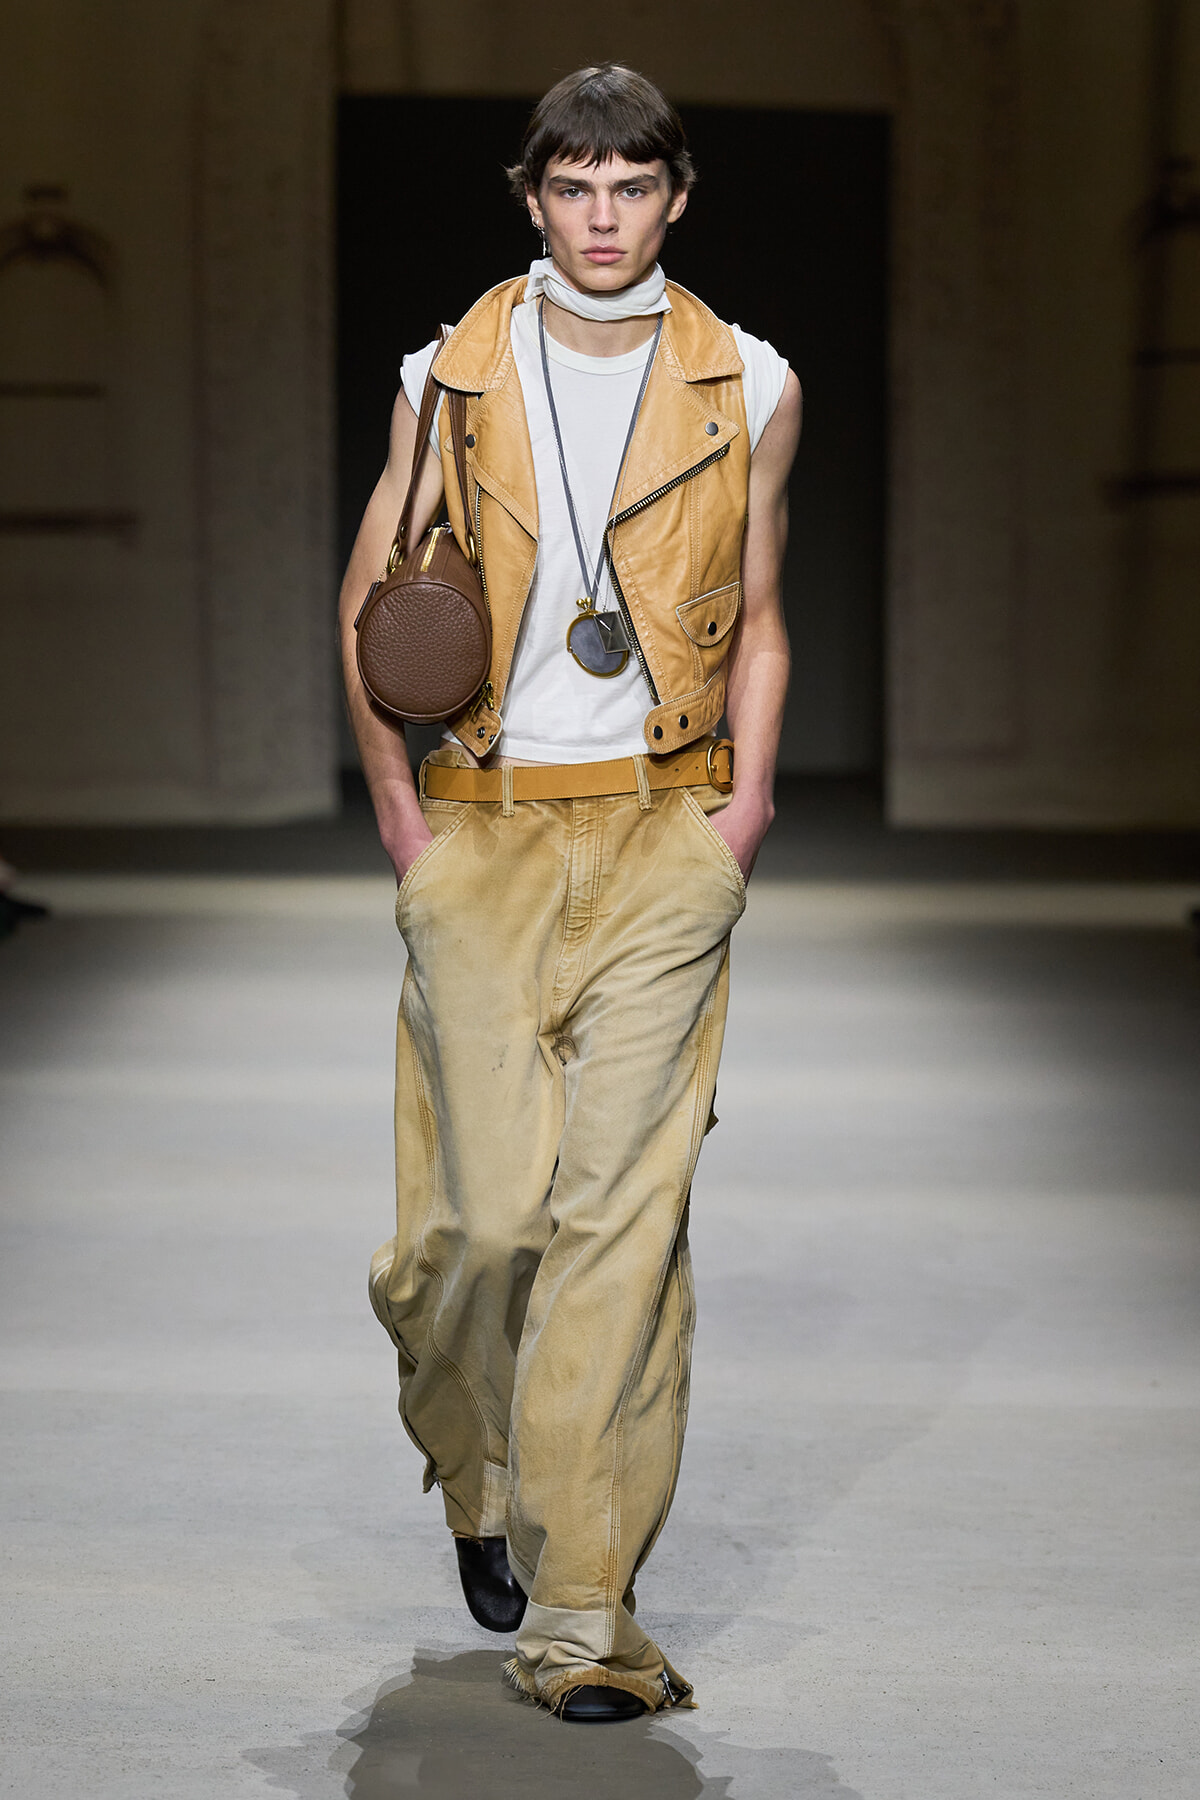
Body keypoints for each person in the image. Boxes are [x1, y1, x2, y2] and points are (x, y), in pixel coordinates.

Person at [339, 63, 801, 1723]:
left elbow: (755, 614)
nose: (602, 215)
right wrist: (404, 819)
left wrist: (738, 817)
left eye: (633, 185)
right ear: (531, 198)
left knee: (624, 1224)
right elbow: (372, 596)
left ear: (677, 196)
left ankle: (584, 1613)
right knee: (476, 1226)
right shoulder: (449, 374)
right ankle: (479, 1471)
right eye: (573, 186)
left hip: (662, 839)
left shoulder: (747, 383)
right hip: (481, 830)